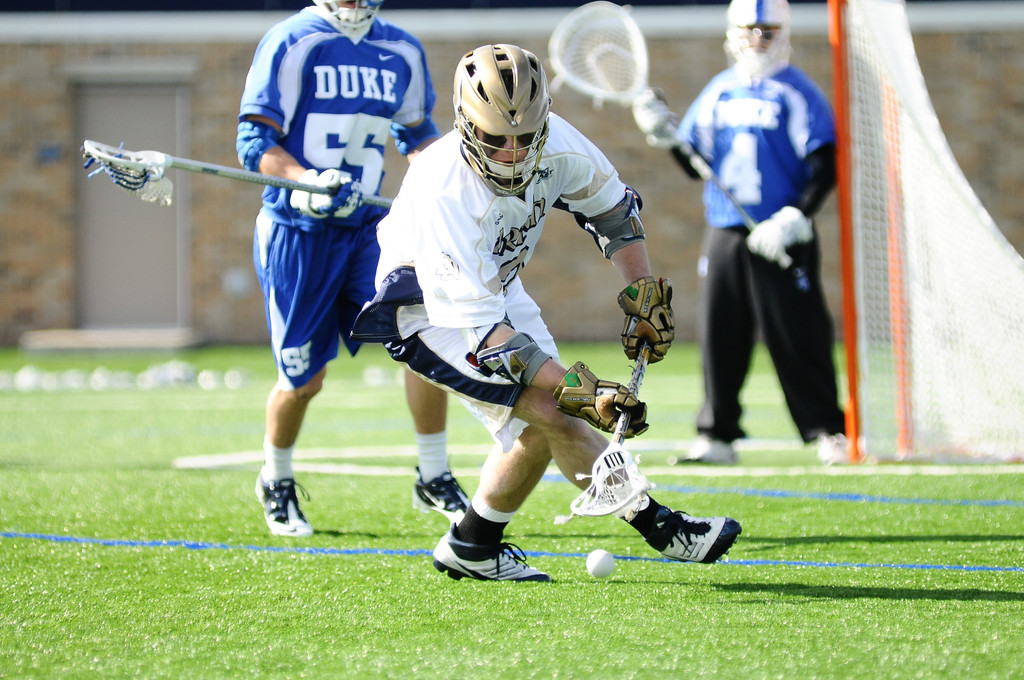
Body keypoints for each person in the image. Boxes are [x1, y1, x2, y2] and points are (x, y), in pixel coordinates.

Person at [352, 44, 741, 581]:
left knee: (541, 423)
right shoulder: (444, 187)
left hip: (496, 289)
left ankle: (472, 545)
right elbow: (491, 337)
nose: (512, 153)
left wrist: (643, 292)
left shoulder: (557, 136)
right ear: (466, 124)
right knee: (555, 408)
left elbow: (612, 210)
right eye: (494, 139)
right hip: (428, 309)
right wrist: (587, 391)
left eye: (524, 138)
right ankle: (661, 527)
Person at [236, 0, 468, 537]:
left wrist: (454, 185)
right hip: (299, 232)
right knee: (303, 379)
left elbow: (415, 136)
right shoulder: (293, 40)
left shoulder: (401, 48)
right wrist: (304, 179)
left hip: (368, 228)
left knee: (425, 340)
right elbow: (254, 142)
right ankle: (276, 478)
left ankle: (433, 474)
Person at [632, 0, 848, 466]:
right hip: (727, 229)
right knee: (720, 331)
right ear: (733, 32)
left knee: (799, 332)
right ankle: (717, 434)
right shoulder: (719, 92)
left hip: (782, 230)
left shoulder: (797, 92)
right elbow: (695, 164)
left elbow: (825, 164)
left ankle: (827, 429)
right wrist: (664, 136)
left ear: (784, 33)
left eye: (768, 30)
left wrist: (796, 217)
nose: (758, 39)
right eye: (750, 29)